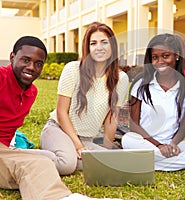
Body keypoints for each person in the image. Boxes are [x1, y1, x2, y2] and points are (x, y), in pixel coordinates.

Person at [0, 36, 116, 200]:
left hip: (5, 151)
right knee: (37, 163)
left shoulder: (31, 92)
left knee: (41, 162)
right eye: (25, 60)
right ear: (12, 57)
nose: (31, 67)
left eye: (38, 64)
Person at [40, 22, 129, 175]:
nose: (99, 47)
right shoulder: (73, 69)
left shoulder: (121, 78)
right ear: (87, 48)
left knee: (108, 162)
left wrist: (105, 152)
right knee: (67, 164)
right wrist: (78, 146)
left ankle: (66, 154)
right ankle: (22, 155)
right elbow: (62, 112)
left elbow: (111, 118)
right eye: (93, 43)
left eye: (104, 42)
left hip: (87, 139)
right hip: (58, 129)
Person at [121, 33, 185, 171]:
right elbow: (134, 126)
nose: (160, 61)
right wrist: (159, 146)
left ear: (176, 56)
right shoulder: (140, 84)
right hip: (145, 143)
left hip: (172, 145)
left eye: (165, 56)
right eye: (155, 57)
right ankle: (169, 164)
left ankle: (145, 163)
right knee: (128, 139)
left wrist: (172, 145)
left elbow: (182, 129)